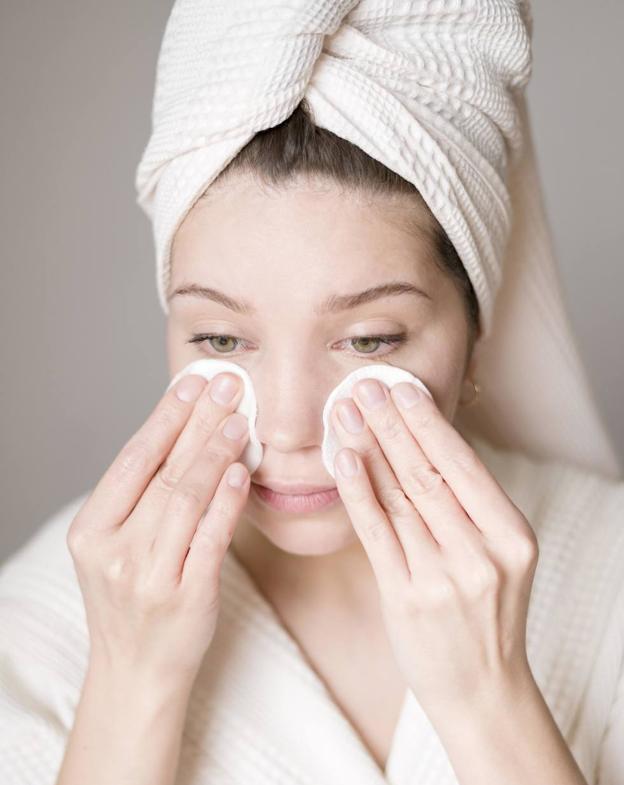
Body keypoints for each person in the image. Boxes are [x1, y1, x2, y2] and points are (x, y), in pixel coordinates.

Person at [1, 3, 623, 785]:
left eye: (368, 340)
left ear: (474, 337)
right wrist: (131, 683)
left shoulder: (608, 579)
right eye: (221, 340)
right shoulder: (43, 622)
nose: (291, 425)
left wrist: (487, 699)